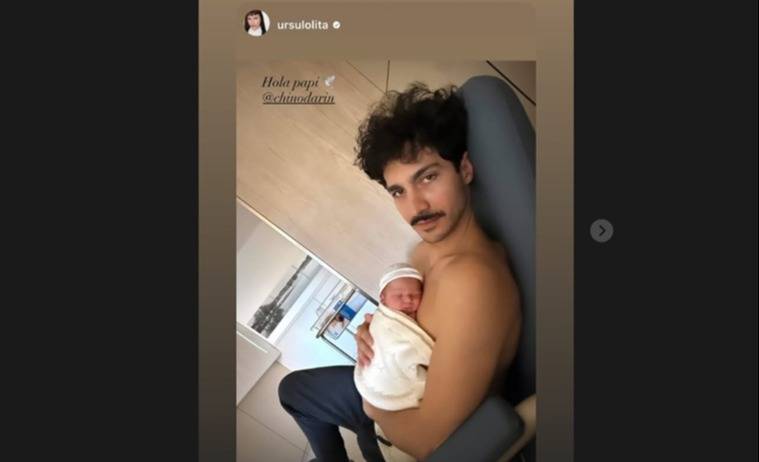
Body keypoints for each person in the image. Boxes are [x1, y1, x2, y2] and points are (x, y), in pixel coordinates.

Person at [278, 82, 522, 461]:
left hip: (399, 434)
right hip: (391, 388)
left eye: (428, 177)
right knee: (293, 390)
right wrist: (374, 332)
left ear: (465, 168)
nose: (416, 206)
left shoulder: (472, 283)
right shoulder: (423, 253)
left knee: (313, 407)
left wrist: (372, 406)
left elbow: (429, 442)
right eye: (398, 191)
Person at [354, 263, 433, 412]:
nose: (408, 299)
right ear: (382, 299)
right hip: (376, 381)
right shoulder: (381, 321)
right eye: (399, 295)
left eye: (415, 295)